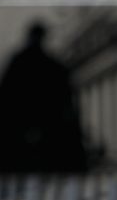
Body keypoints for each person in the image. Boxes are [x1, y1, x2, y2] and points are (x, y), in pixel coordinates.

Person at [0, 21, 87, 172]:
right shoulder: (54, 66)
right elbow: (67, 101)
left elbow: (5, 97)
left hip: (20, 130)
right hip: (49, 130)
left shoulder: (17, 63)